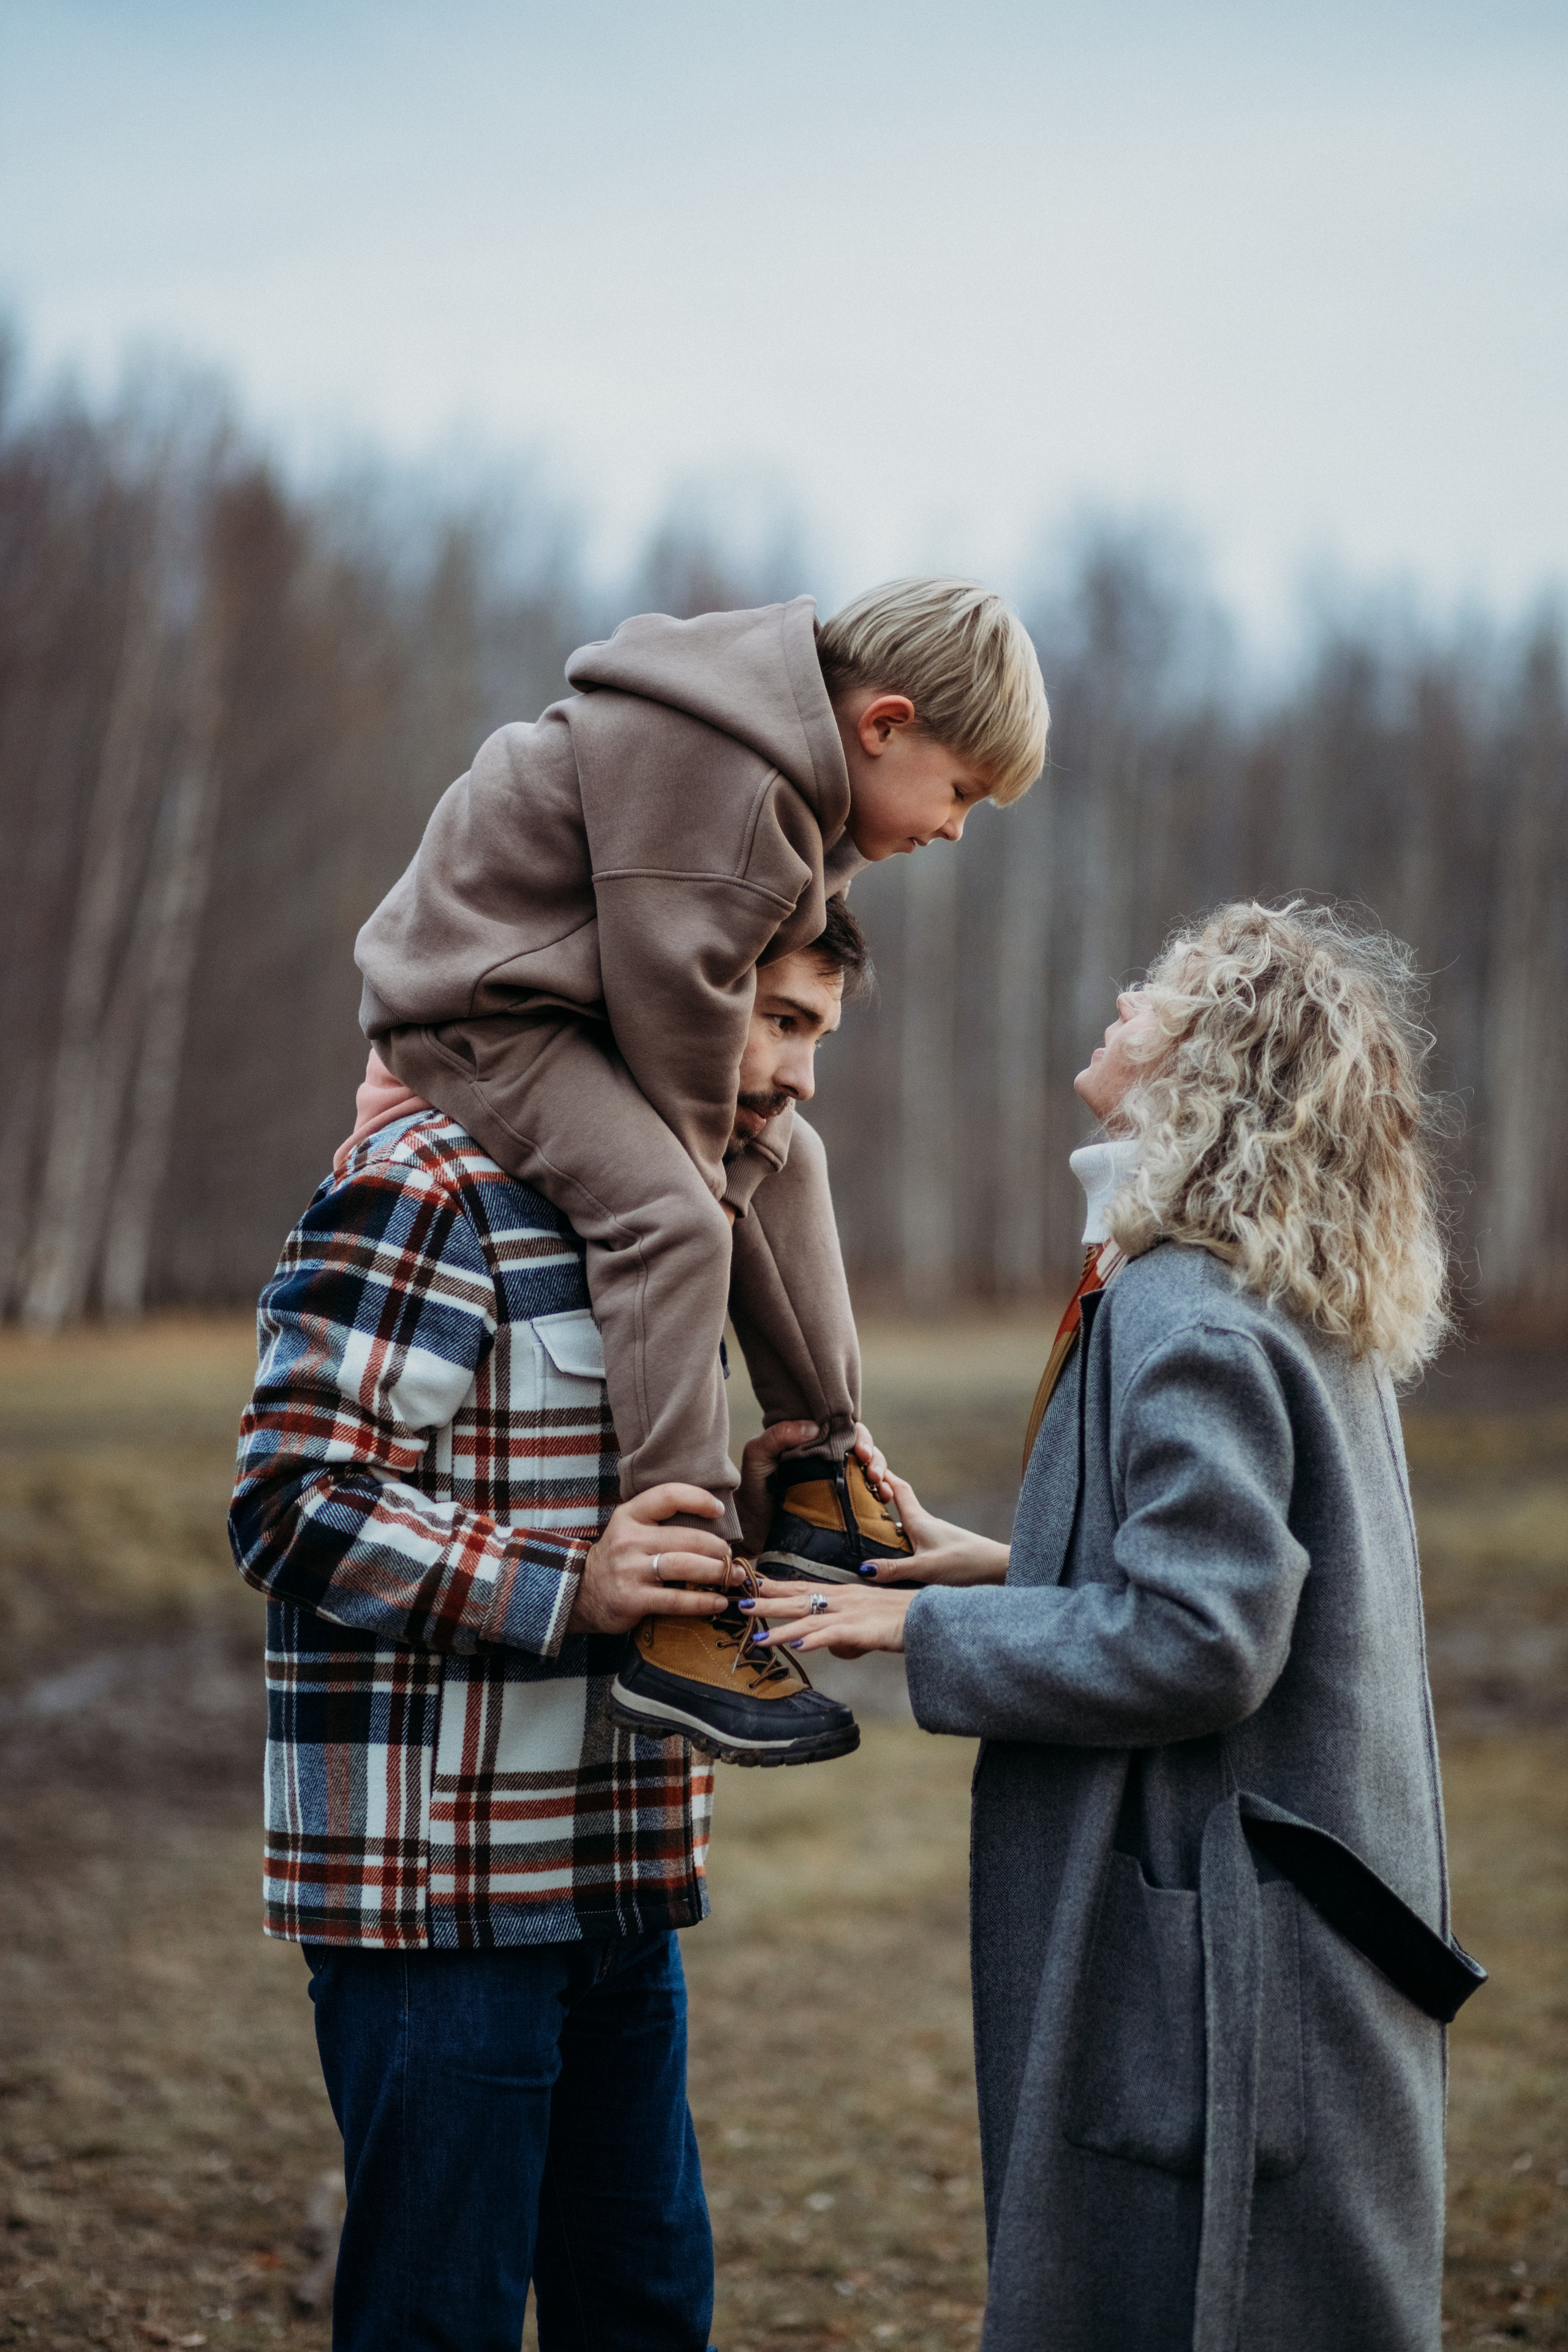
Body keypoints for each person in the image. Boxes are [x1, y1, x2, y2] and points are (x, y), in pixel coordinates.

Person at [757, 901, 1485, 2352]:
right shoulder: (1255, 1285)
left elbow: (1203, 1641)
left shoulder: (1187, 1306)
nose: (1120, 1000)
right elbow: (1228, 1571)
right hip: (1269, 1940)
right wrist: (990, 1566)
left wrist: (913, 1640)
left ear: (1217, 1061)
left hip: (1221, 1972)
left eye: (1159, 993)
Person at [227, 914, 891, 2351]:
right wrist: (565, 1588)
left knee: (644, 2310)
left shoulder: (679, 1214)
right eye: (777, 1022)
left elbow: (636, 1528)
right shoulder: (430, 1188)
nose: (798, 1078)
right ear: (668, 994)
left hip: (621, 1874)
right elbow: (291, 1501)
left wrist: (767, 1516)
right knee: (438, 2316)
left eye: (815, 1035)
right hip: (438, 1900)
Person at [349, 579, 1047, 1751]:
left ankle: (825, 1470)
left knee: (793, 1153)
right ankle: (687, 1584)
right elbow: (686, 1031)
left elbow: (732, 1041)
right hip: (482, 1005)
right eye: (962, 789)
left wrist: (751, 1157)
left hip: (579, 1008)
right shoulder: (736, 780)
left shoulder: (803, 789)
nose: (955, 826)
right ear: (883, 725)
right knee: (672, 1219)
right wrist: (709, 1191)